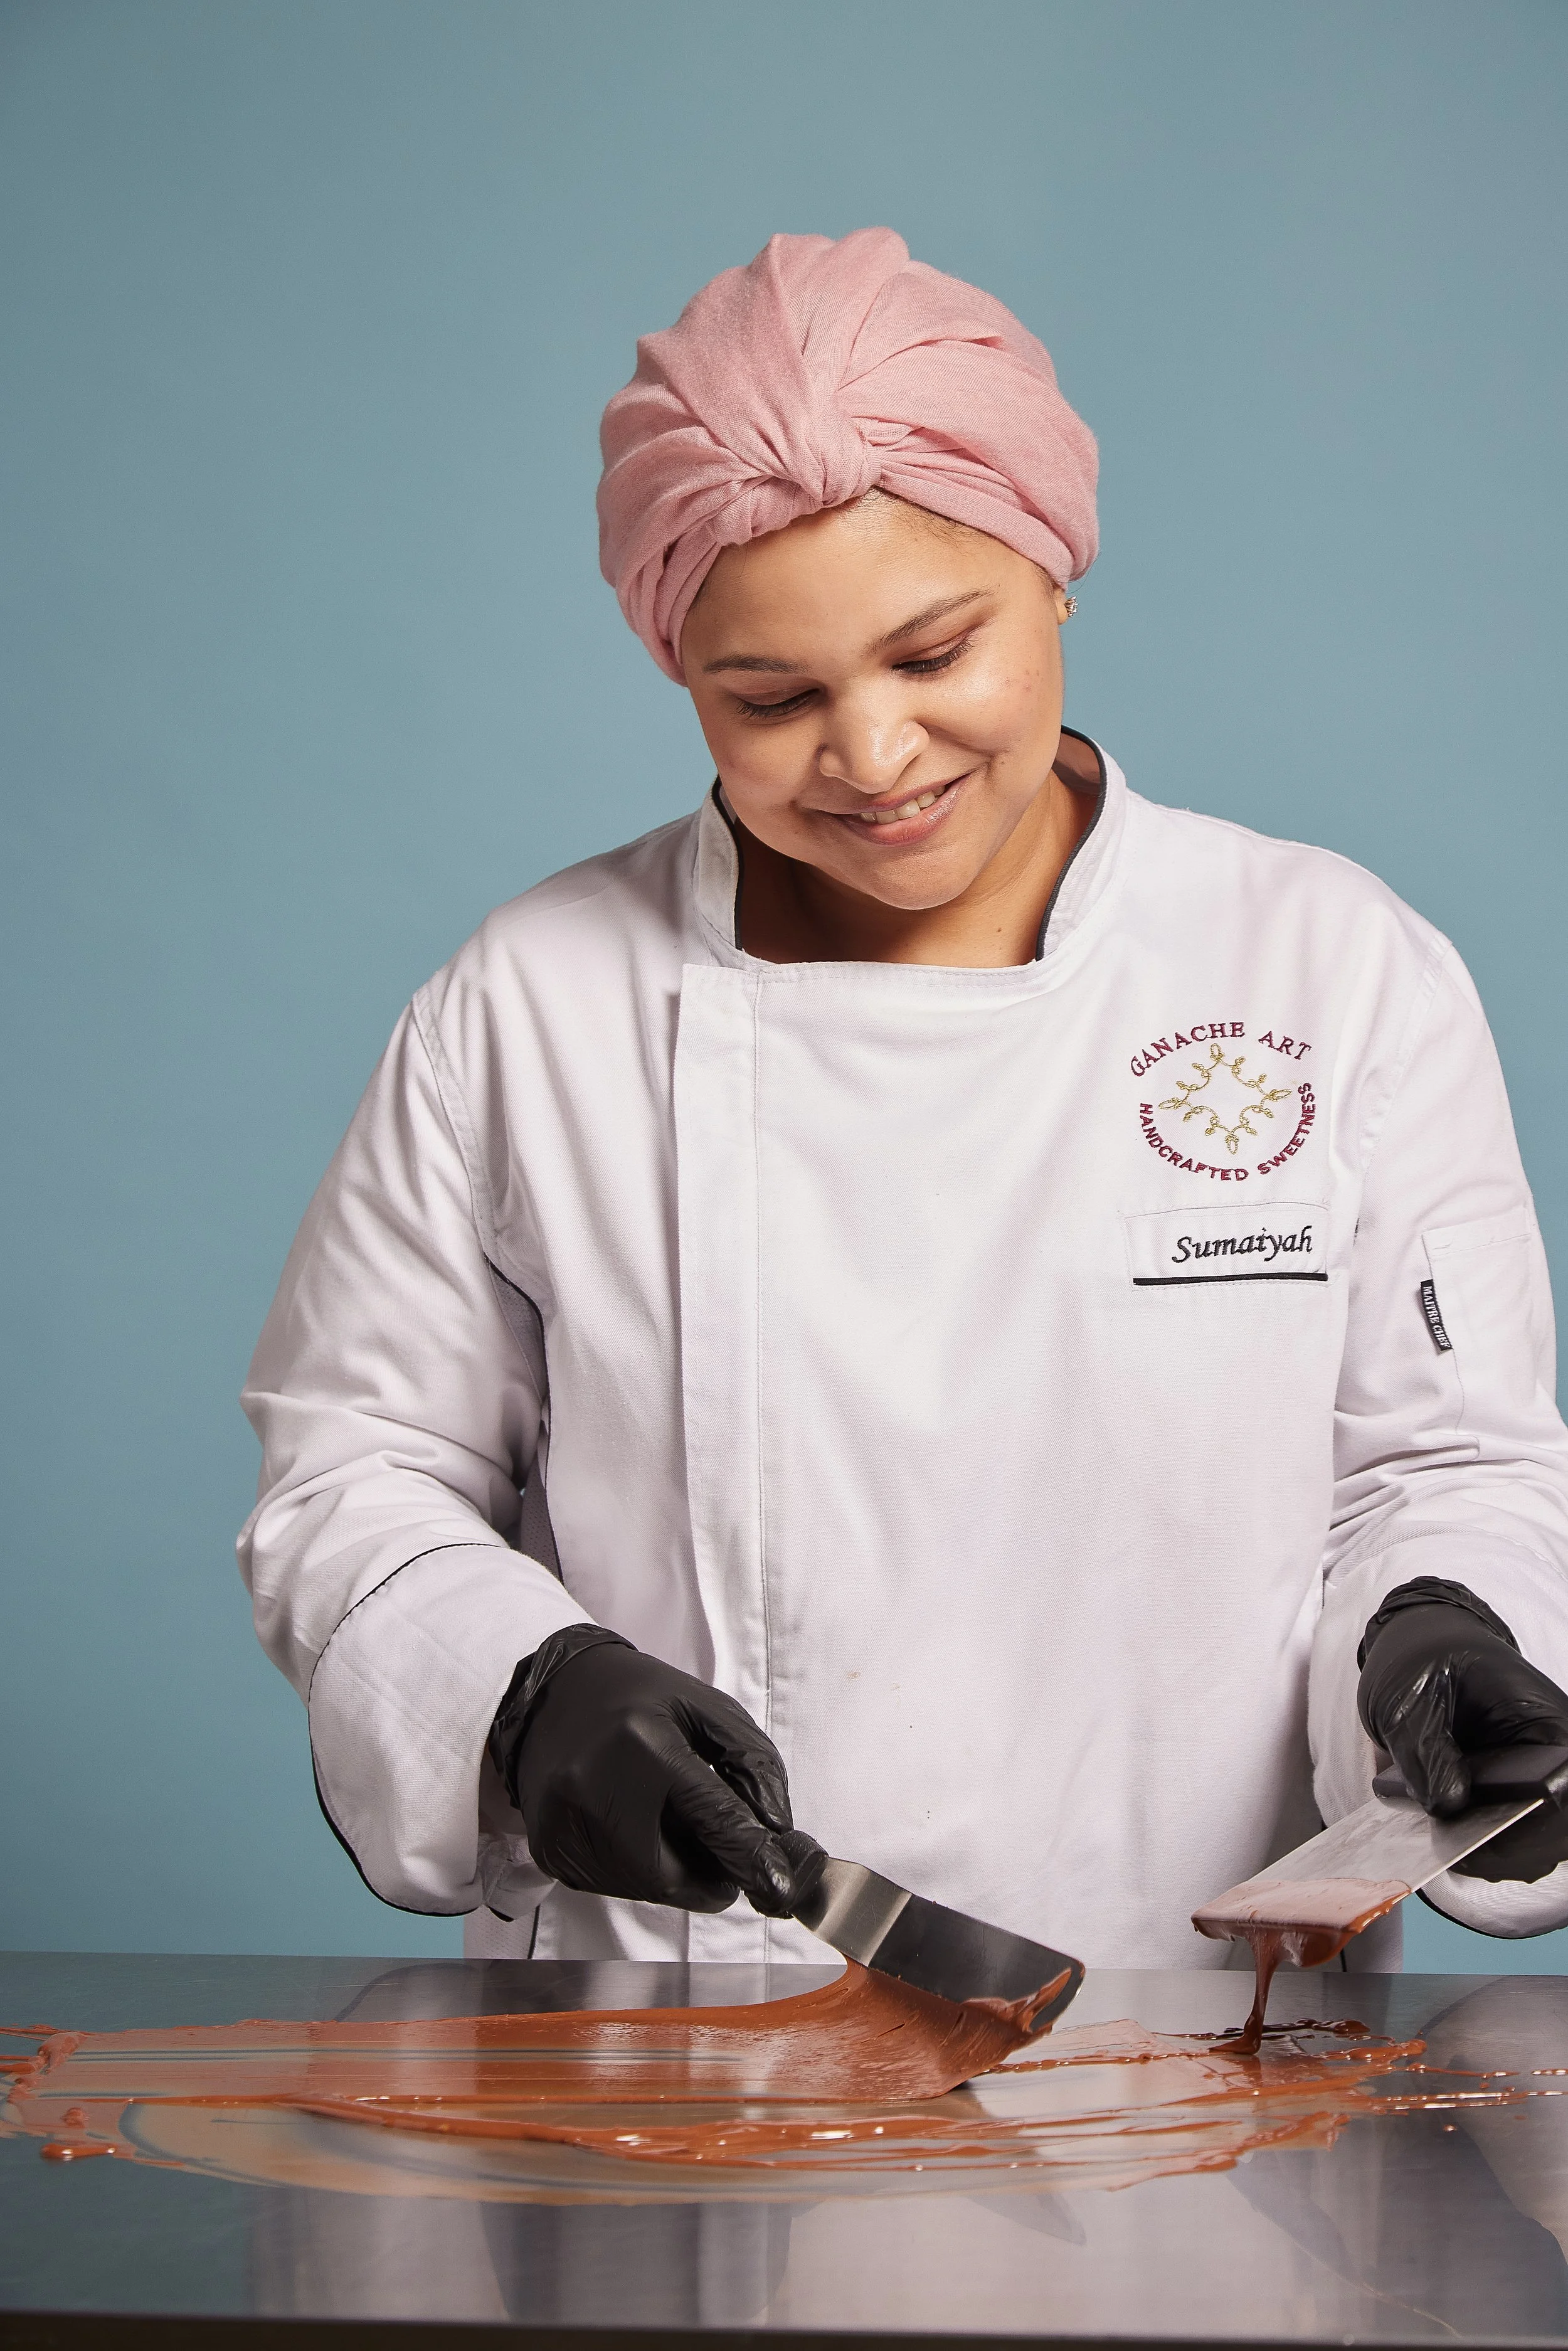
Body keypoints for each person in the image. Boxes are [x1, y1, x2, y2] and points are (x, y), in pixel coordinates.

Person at [240, 228, 1568, 1971]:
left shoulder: (1329, 969)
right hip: (677, 2038)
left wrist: (1441, 1633)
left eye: (935, 653)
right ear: (681, 676)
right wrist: (524, 1689)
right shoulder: (533, 1008)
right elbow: (359, 1473)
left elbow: (1441, 1461)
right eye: (771, 697)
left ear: (1053, 572)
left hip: (1218, 2056)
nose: (872, 757)